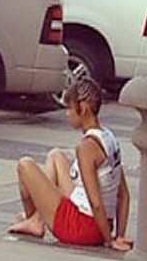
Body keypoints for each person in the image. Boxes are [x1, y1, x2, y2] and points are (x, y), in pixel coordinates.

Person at [8, 78, 133, 251]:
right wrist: (118, 234)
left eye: (69, 108)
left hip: (81, 227)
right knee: (56, 155)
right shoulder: (109, 138)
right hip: (99, 224)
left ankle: (35, 221)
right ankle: (37, 219)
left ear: (83, 108)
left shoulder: (86, 148)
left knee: (25, 165)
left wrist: (109, 241)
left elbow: (96, 203)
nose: (67, 114)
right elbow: (124, 195)